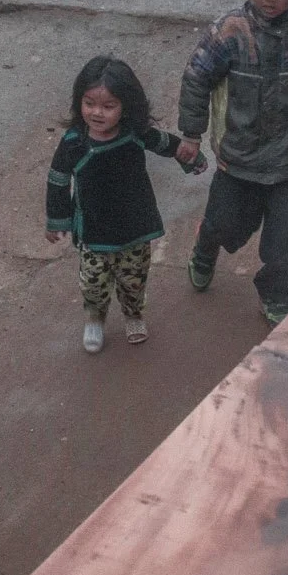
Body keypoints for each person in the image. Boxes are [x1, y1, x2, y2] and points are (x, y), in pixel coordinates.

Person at [176, 0, 288, 325]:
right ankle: (205, 247)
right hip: (237, 158)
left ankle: (278, 295)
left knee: (287, 244)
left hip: (285, 164)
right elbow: (196, 79)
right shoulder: (229, 32)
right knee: (225, 225)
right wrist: (191, 134)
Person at [46, 56, 207, 353]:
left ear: (126, 106)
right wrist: (57, 220)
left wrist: (189, 157)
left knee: (134, 279)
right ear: (79, 101)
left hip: (136, 226)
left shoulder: (134, 134)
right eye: (89, 104)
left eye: (108, 106)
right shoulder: (74, 142)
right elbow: (58, 180)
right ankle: (95, 318)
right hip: (94, 230)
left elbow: (165, 144)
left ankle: (133, 314)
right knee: (94, 282)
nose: (97, 112)